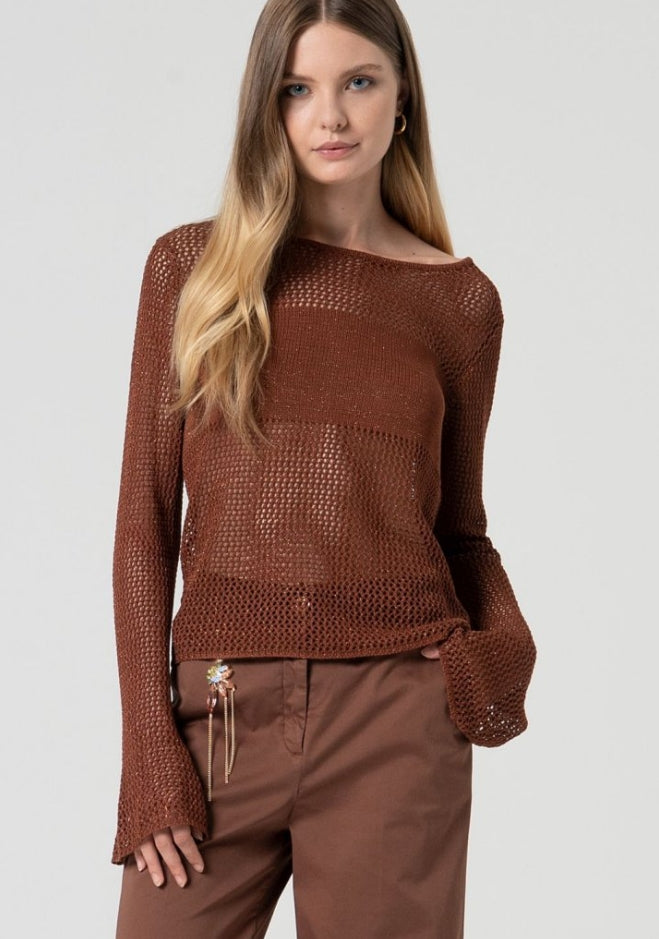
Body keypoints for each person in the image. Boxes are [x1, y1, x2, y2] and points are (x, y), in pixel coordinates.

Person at [111, 1, 537, 936]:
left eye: (358, 82)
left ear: (402, 97)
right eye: (297, 89)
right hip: (220, 717)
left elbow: (459, 530)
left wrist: (501, 646)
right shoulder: (190, 270)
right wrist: (149, 746)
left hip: (394, 720)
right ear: (266, 106)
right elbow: (145, 524)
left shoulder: (459, 303)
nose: (330, 115)